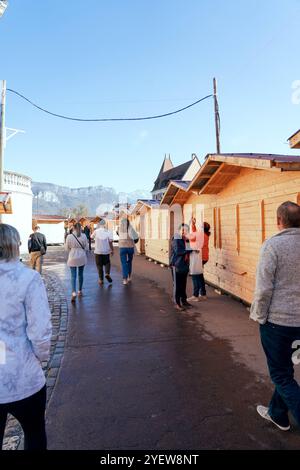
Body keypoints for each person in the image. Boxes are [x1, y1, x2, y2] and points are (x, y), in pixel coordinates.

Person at [0, 224, 52, 450]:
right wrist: (41, 357)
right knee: (35, 434)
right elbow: (39, 330)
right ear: (13, 245)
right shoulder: (28, 278)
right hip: (22, 375)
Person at [250, 201, 300, 432]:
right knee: (286, 371)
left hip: (278, 324)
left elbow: (264, 288)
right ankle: (277, 414)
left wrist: (258, 316)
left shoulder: (273, 245)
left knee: (281, 376)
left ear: (279, 221)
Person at [170, 223, 192, 311]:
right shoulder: (176, 238)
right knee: (177, 285)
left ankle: (184, 300)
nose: (184, 232)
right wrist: (191, 250)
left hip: (184, 264)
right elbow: (179, 251)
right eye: (182, 230)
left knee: (183, 284)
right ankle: (177, 302)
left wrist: (190, 248)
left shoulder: (185, 240)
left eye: (186, 230)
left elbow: (188, 250)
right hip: (177, 265)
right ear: (179, 230)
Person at [65, 222, 89, 302]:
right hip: (81, 256)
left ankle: (73, 292)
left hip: (72, 256)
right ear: (81, 228)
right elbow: (86, 247)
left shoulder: (69, 236)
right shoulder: (84, 236)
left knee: (73, 276)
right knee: (81, 274)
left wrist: (72, 250)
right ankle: (80, 291)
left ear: (74, 228)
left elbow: (66, 248)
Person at [91, 219, 114, 285]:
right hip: (106, 251)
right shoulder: (108, 231)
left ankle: (101, 280)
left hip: (98, 251)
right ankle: (107, 273)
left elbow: (91, 237)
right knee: (107, 263)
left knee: (99, 266)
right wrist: (112, 250)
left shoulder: (96, 231)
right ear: (104, 224)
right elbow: (110, 242)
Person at [187, 218, 205, 302]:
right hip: (197, 257)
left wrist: (190, 224)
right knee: (198, 275)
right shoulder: (201, 234)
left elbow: (189, 236)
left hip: (195, 258)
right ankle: (201, 294)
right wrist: (192, 224)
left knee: (195, 276)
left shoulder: (198, 236)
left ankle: (195, 295)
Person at [118, 218, 138, 285]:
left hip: (122, 248)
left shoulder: (119, 228)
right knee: (129, 262)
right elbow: (136, 238)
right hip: (130, 247)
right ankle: (129, 277)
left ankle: (124, 279)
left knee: (124, 263)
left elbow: (118, 233)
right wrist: (134, 241)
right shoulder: (131, 228)